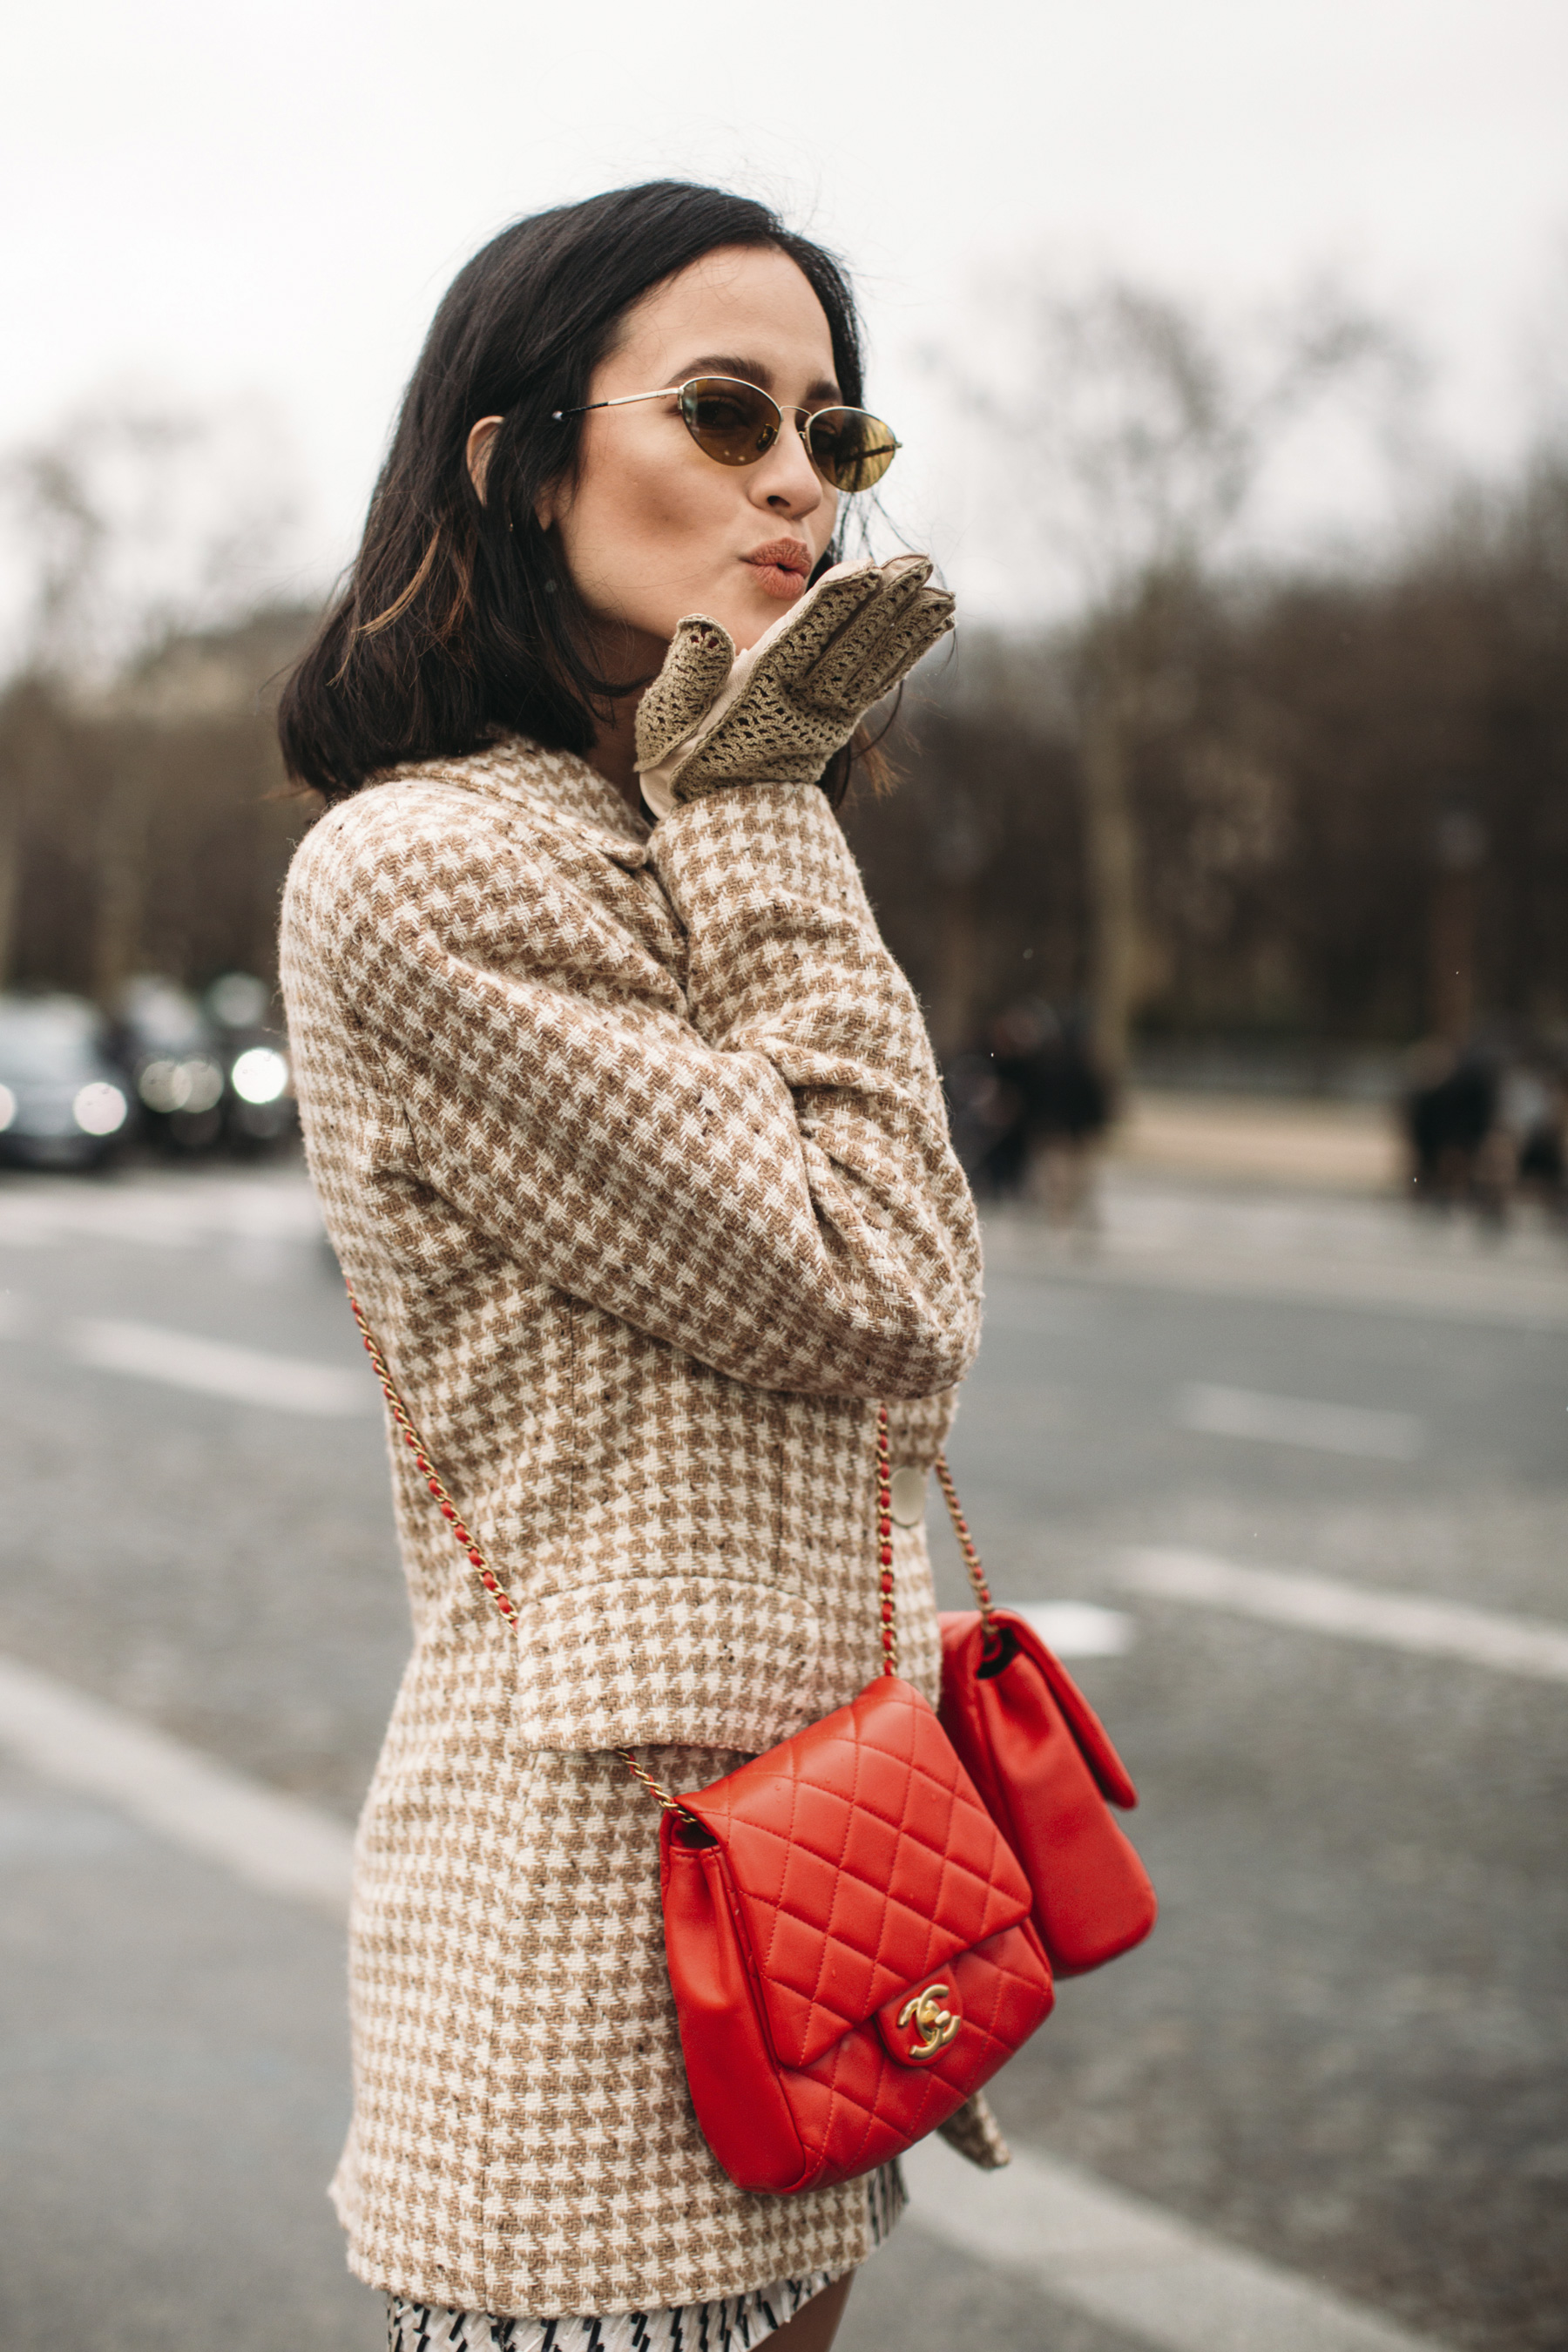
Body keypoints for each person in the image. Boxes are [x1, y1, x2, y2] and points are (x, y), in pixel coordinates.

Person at [276, 182, 1000, 2352]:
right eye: (723, 408)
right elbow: (885, 1286)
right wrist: (767, 795)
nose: (798, 476)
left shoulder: (674, 829)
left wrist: (735, 802)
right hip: (592, 1982)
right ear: (513, 466)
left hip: (820, 1918)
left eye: (837, 433)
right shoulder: (420, 870)